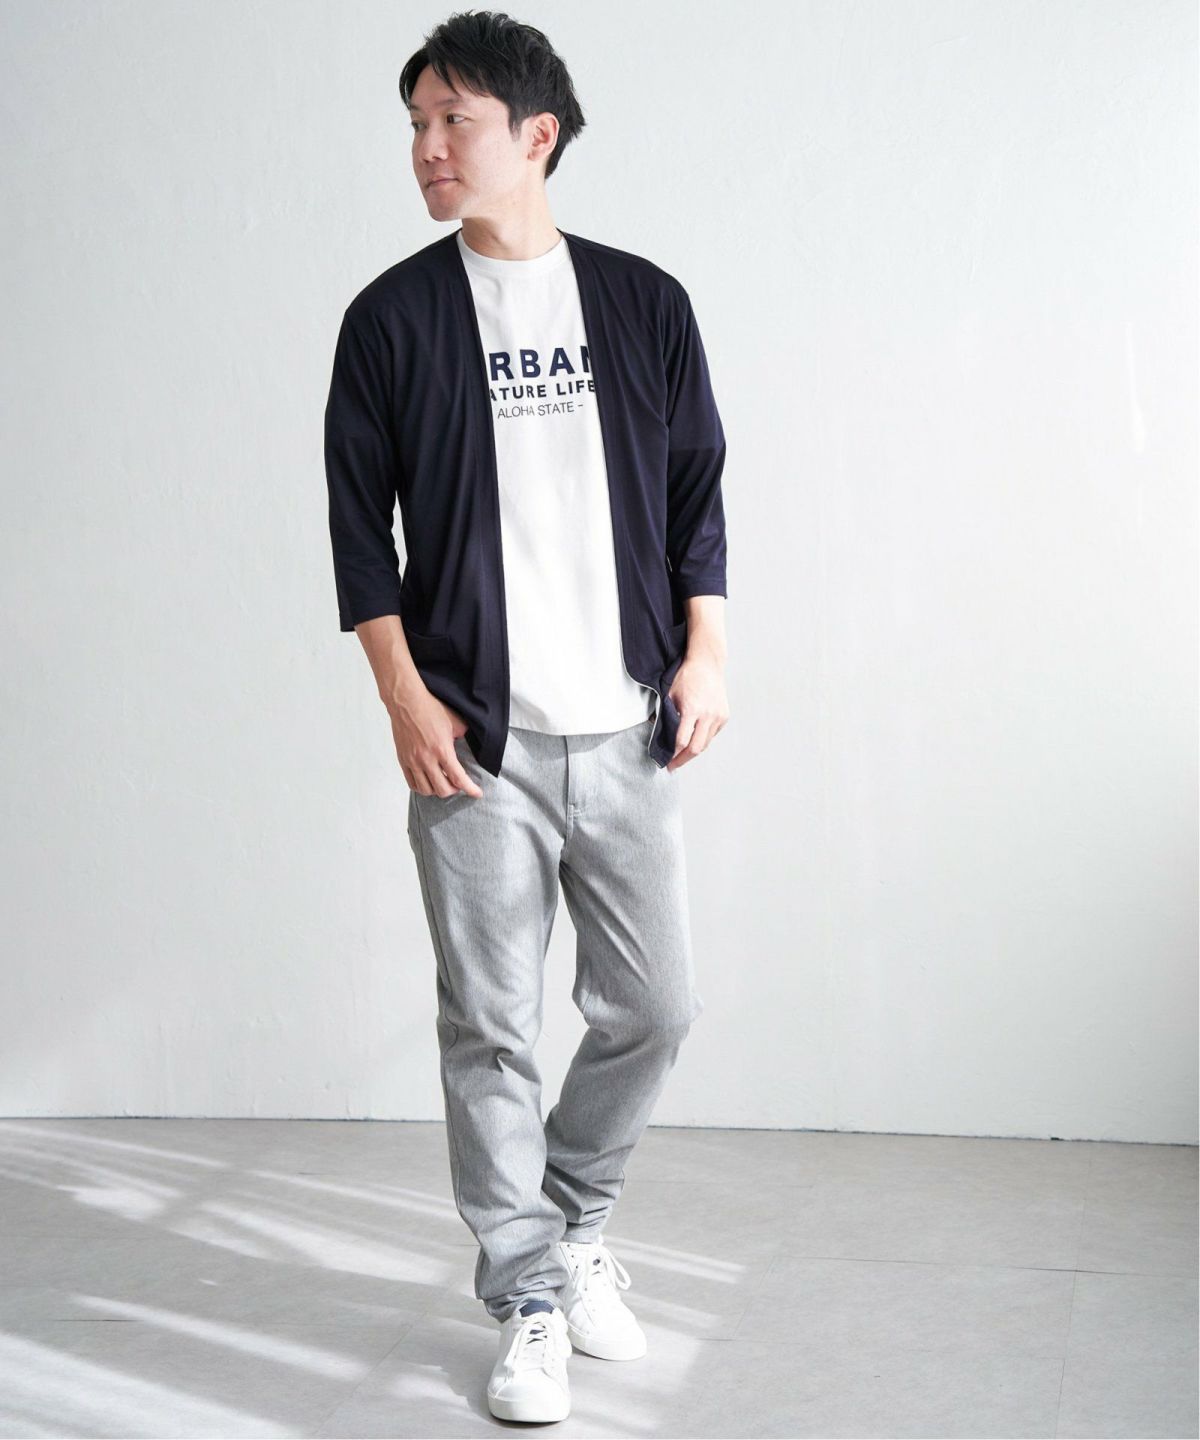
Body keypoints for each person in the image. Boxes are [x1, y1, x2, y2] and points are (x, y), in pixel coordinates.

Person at [324, 9, 730, 1424]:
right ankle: (529, 1297)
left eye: (455, 120)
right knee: (490, 1029)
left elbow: (696, 495)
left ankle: (571, 1219)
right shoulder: (392, 320)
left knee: (656, 1007)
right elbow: (359, 534)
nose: (427, 148)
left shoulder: (643, 303)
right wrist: (402, 695)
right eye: (416, 125)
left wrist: (709, 655)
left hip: (626, 725)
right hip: (475, 743)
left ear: (535, 134)